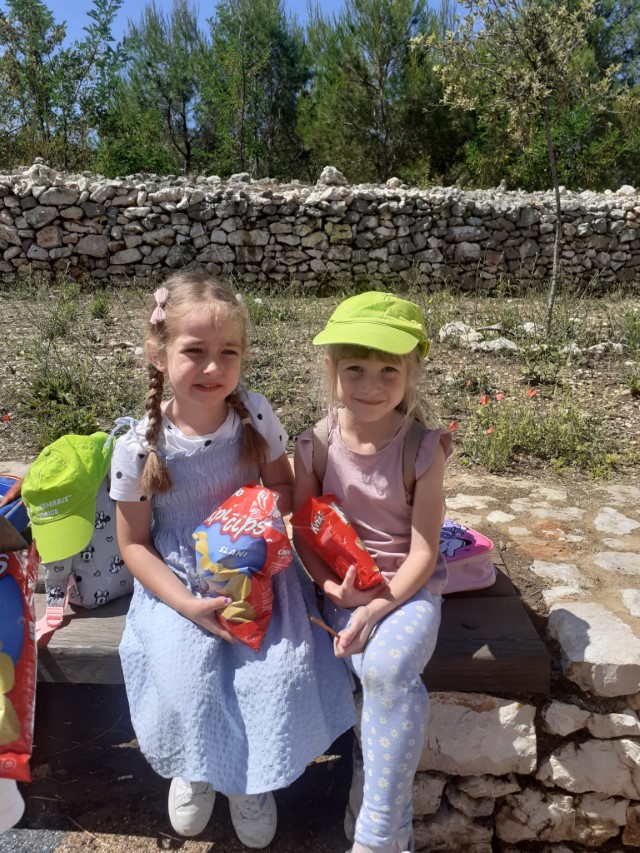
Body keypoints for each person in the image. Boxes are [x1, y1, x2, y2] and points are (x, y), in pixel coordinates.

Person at [110, 271, 354, 848]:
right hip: (179, 580)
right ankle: (195, 768)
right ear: (159, 353)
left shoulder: (254, 416)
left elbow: (282, 489)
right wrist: (186, 604)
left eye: (228, 353)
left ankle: (251, 780)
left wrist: (264, 513)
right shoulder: (139, 447)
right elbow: (134, 545)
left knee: (279, 673)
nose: (213, 367)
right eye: (194, 351)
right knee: (187, 679)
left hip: (258, 572)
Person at [293, 292, 451, 853]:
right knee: (381, 679)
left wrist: (375, 608)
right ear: (331, 369)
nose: (371, 384)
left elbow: (424, 554)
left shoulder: (421, 450)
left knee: (386, 669)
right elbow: (305, 532)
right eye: (355, 368)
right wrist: (333, 589)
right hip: (342, 590)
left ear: (411, 375)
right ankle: (387, 825)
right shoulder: (315, 445)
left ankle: (378, 831)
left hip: (406, 593)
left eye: (389, 371)